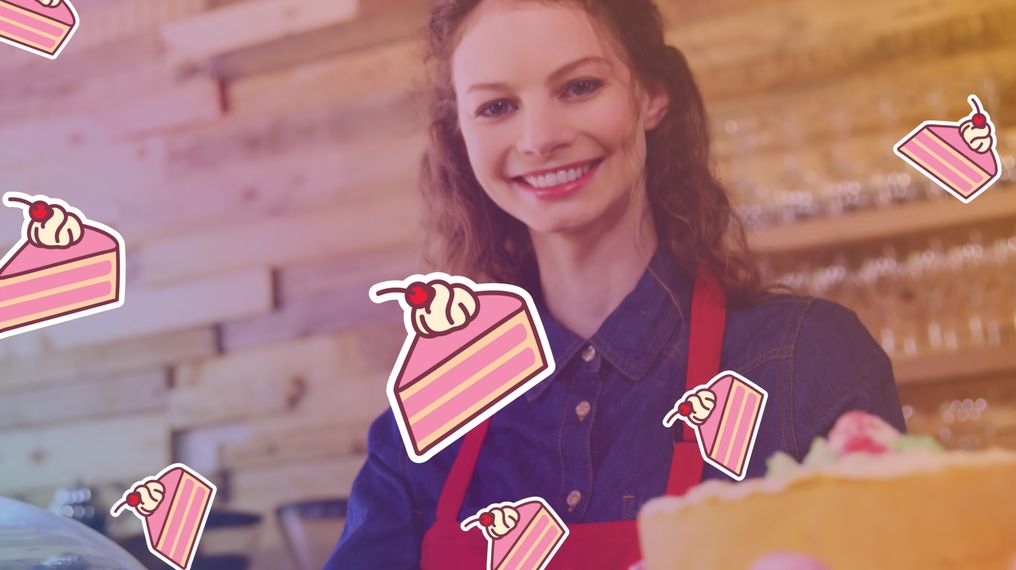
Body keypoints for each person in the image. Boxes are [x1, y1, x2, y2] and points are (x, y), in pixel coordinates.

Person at [326, 0, 904, 567]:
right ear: (461, 135)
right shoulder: (428, 425)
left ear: (651, 95)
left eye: (579, 87)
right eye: (497, 107)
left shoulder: (805, 361)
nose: (539, 138)